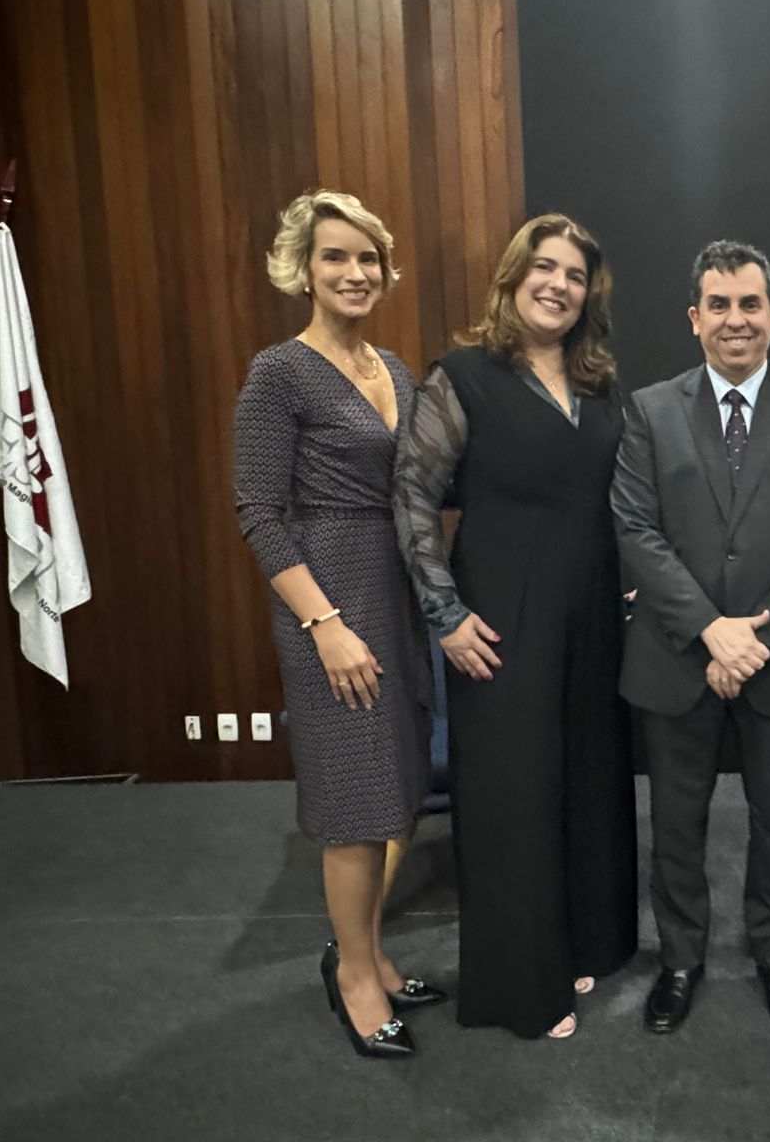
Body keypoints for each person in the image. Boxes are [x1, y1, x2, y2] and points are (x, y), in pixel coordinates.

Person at [393, 213, 637, 1041]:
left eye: (574, 274)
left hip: (594, 617)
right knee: (515, 801)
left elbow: (623, 503)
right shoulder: (461, 377)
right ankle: (521, 990)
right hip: (497, 619)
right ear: (511, 277)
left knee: (586, 785)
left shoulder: (601, 385)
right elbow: (414, 500)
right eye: (544, 267)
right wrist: (446, 615)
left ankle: (583, 943)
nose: (558, 284)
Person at [612, 240, 770, 1034]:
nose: (736, 320)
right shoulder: (649, 410)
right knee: (677, 825)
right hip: (677, 654)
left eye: (751, 304)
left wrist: (757, 637)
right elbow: (637, 530)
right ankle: (680, 959)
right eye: (719, 305)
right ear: (694, 319)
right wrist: (712, 632)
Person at [234, 189, 442, 1060]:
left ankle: (372, 952)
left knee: (394, 787)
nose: (355, 273)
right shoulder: (278, 372)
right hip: (331, 602)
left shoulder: (393, 369)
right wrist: (324, 623)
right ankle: (352, 977)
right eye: (335, 258)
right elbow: (257, 509)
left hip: (391, 600)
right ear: (303, 270)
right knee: (353, 803)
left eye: (368, 258)